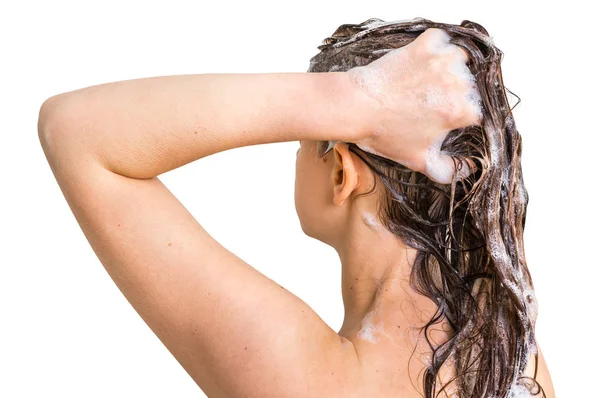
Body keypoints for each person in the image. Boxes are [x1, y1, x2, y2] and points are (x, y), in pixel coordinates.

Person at [37, 15, 554, 398]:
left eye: (303, 143)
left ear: (340, 173)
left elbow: (76, 132)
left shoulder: (312, 381)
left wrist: (353, 100)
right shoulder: (511, 352)